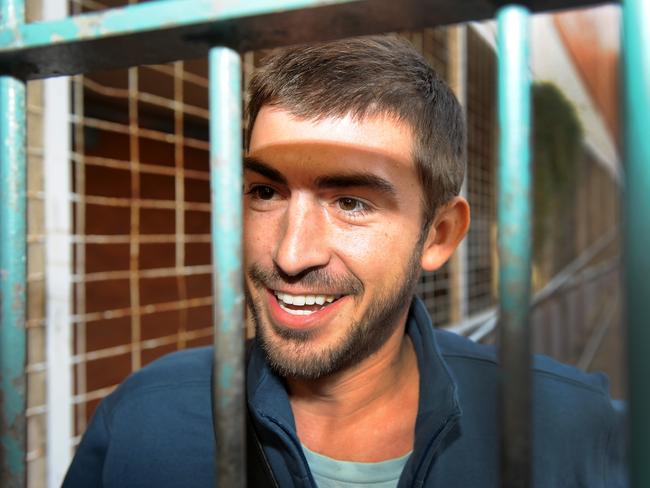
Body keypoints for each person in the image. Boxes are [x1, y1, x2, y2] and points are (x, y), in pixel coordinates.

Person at [63, 36, 625, 487]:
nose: (290, 253)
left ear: (440, 234)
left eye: (351, 202)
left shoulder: (568, 428)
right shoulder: (144, 423)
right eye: (266, 192)